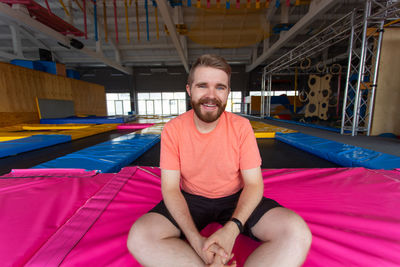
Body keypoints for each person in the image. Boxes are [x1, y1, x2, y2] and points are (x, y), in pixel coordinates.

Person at [127, 54, 312, 267]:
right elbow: (170, 188)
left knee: (296, 232)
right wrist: (197, 242)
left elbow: (253, 184)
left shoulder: (241, 127)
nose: (211, 96)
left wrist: (232, 230)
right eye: (203, 86)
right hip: (191, 200)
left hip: (236, 198)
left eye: (220, 87)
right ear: (189, 90)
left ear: (228, 93)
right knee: (140, 236)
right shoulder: (173, 129)